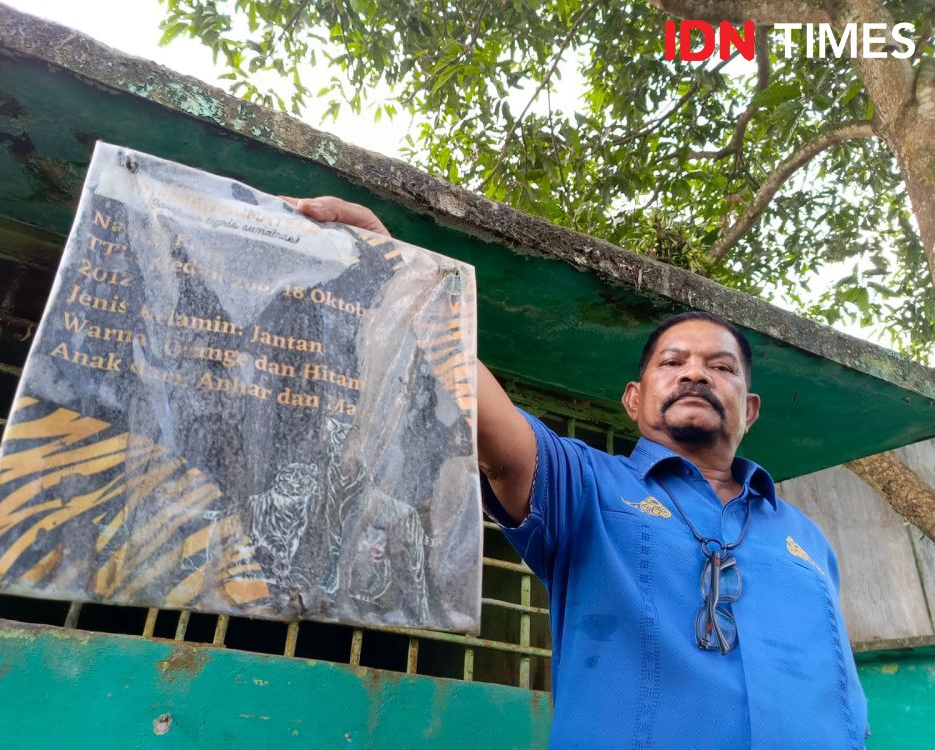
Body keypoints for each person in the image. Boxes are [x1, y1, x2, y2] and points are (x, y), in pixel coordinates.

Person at [287, 196, 870, 749]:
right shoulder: (585, 485)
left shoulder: (809, 541)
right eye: (673, 362)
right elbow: (480, 408)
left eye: (721, 367)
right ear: (634, 401)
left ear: (751, 408)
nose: (696, 374)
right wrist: (399, 280)